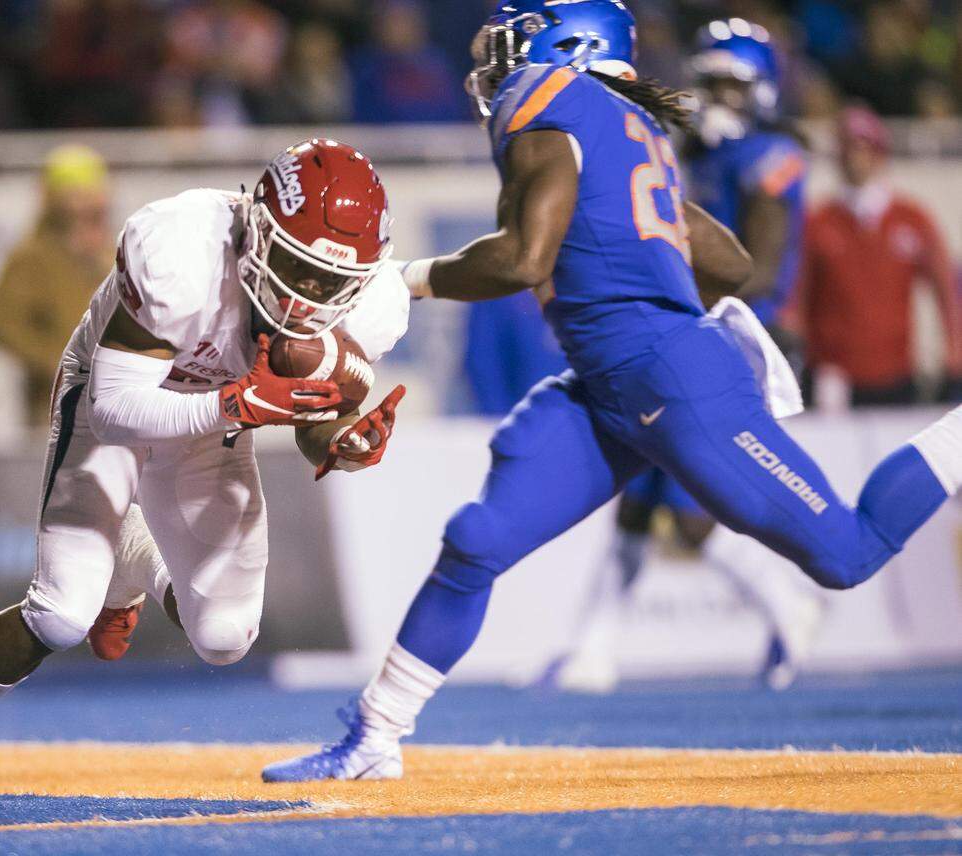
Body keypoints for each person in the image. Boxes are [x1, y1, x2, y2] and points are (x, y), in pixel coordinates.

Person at [263, 0, 962, 783]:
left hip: (665, 373)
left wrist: (407, 280)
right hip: (610, 381)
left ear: (565, 48)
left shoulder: (545, 95)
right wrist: (661, 230)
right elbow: (729, 265)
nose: (498, 64)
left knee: (847, 553)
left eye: (514, 44)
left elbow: (526, 259)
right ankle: (375, 737)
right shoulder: (638, 132)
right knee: (477, 540)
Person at [0, 139, 410, 808]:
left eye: (332, 285)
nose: (309, 301)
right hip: (114, 393)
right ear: (258, 229)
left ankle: (133, 563)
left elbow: (313, 423)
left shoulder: (373, 304)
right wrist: (238, 402)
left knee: (224, 638)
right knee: (63, 612)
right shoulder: (182, 250)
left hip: (214, 415)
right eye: (299, 270)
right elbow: (118, 409)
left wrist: (343, 440)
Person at [546, 19, 821, 695]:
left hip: (741, 337)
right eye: (710, 83)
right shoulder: (691, 150)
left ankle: (789, 601)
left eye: (732, 84)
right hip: (687, 334)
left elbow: (757, 267)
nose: (718, 97)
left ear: (761, 89)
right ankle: (594, 650)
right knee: (639, 495)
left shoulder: (772, 156)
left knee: (693, 513)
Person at [795, 104, 961, 407]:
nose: (855, 158)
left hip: (896, 374)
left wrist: (953, 348)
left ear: (879, 153)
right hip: (834, 375)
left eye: (864, 147)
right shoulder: (818, 222)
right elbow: (797, 297)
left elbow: (946, 287)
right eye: (848, 148)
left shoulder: (911, 219)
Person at [0, 145, 116, 425]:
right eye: (77, 197)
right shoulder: (31, 257)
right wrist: (56, 364)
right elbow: (1, 325)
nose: (87, 205)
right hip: (54, 408)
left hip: (115, 406)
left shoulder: (114, 252)